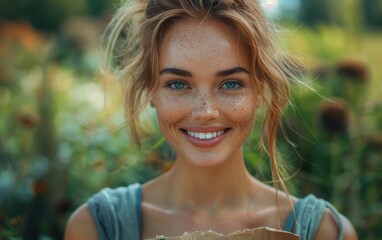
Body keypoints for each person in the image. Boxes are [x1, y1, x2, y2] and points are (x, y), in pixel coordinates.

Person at [64, 0, 358, 239]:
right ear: (150, 91)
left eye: (231, 84)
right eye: (178, 84)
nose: (206, 112)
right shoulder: (96, 228)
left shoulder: (324, 232)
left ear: (260, 91)